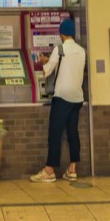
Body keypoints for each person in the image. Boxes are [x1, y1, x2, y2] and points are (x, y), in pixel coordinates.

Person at [32, 17, 86, 183]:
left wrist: (43, 62)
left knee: (55, 134)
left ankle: (49, 171)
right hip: (77, 98)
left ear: (61, 34)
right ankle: (72, 170)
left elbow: (48, 71)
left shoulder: (60, 49)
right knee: (72, 133)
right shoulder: (82, 50)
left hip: (62, 97)